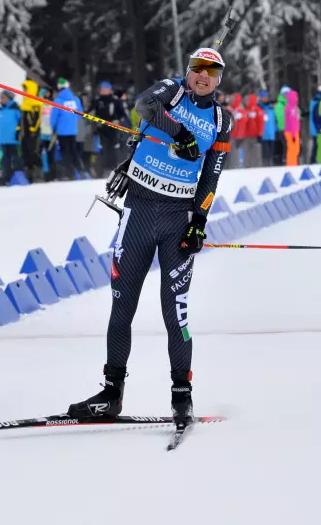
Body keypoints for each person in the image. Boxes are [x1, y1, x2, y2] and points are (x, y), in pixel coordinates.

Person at [67, 47, 233, 432]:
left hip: (178, 220)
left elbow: (212, 175)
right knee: (121, 307)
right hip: (138, 211)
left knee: (175, 313)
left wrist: (199, 222)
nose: (202, 76)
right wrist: (181, 133)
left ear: (219, 79)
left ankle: (181, 397)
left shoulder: (223, 120)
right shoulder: (170, 92)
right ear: (188, 71)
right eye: (197, 68)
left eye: (211, 71)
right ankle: (111, 394)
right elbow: (143, 106)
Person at [89, 81, 129, 176]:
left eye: (105, 89)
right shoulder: (97, 101)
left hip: (113, 129)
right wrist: (95, 120)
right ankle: (102, 170)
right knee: (103, 149)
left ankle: (113, 169)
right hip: (101, 129)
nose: (103, 91)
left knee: (114, 149)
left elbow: (122, 114)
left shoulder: (115, 100)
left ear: (110, 90)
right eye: (102, 89)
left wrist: (118, 120)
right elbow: (90, 112)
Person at [50, 78, 83, 180]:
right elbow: (80, 114)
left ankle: (69, 173)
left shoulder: (58, 101)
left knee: (65, 152)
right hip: (72, 130)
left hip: (61, 130)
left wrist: (53, 127)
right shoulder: (75, 99)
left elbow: (53, 117)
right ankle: (80, 169)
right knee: (73, 150)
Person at [0, 91, 21, 186]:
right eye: (1, 97)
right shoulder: (0, 110)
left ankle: (17, 176)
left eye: (3, 97)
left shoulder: (16, 109)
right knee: (5, 160)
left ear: (9, 98)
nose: (1, 99)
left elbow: (20, 122)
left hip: (13, 139)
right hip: (3, 140)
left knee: (15, 158)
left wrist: (19, 133)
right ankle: (7, 178)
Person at [20, 80, 44, 182]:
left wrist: (34, 128)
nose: (23, 91)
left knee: (34, 151)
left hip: (33, 132)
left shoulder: (36, 101)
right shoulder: (24, 102)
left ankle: (38, 174)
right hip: (25, 132)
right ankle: (29, 173)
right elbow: (22, 118)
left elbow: (38, 117)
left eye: (25, 89)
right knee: (25, 152)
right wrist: (18, 129)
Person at [258, 90, 276, 167]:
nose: (265, 98)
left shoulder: (271, 107)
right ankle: (265, 164)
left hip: (272, 132)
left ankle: (271, 162)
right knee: (265, 151)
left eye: (266, 97)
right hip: (263, 133)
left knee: (272, 150)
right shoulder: (259, 107)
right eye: (263, 97)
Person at [284, 88, 301, 166]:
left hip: (294, 131)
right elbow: (291, 122)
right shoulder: (291, 108)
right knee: (292, 149)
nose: (297, 99)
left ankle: (293, 163)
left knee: (295, 149)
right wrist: (293, 134)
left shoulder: (294, 108)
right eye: (296, 97)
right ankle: (291, 164)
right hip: (291, 131)